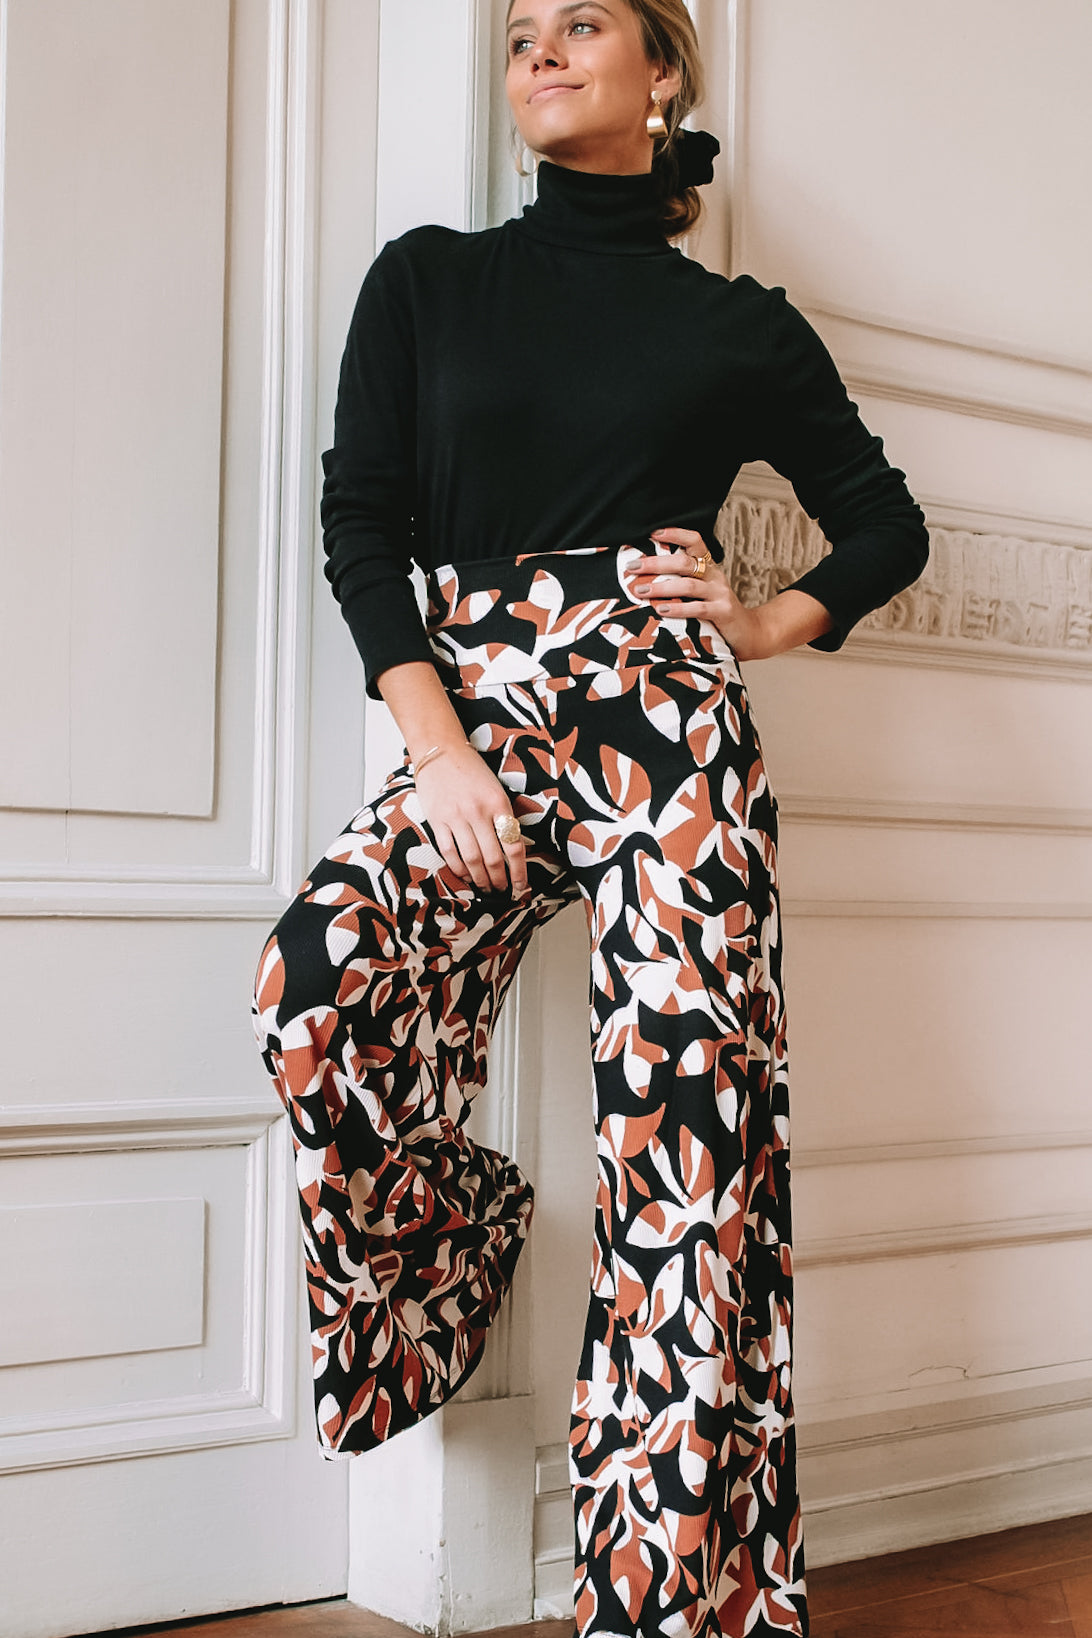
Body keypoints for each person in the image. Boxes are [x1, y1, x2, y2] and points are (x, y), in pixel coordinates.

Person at [251, 2, 929, 1633]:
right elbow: (362, 520)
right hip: (475, 723)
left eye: (580, 24)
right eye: (519, 37)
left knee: (687, 1169)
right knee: (316, 986)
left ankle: (657, 1607)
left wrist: (762, 622)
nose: (540, 54)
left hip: (666, 731)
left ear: (663, 68)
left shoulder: (738, 327)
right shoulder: (430, 281)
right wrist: (437, 751)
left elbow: (884, 525)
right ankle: (460, 1236)